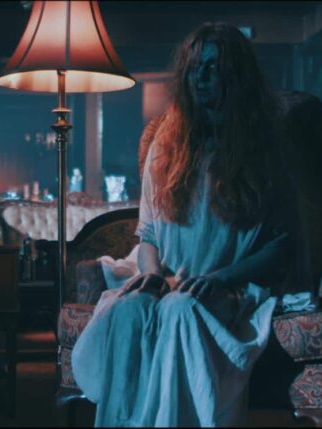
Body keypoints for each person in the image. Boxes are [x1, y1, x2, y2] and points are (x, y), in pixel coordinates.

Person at [70, 23, 298, 427]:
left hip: (230, 288)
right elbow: (149, 234)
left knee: (180, 310)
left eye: (213, 68)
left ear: (235, 76)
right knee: (129, 311)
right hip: (169, 279)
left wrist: (221, 278)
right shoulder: (167, 142)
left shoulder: (264, 149)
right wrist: (153, 273)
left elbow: (280, 245)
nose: (201, 77)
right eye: (194, 68)